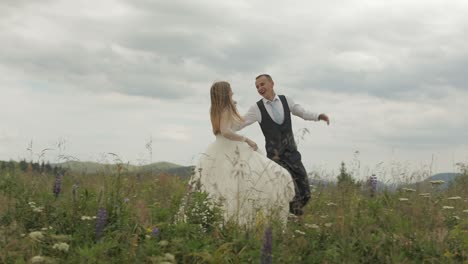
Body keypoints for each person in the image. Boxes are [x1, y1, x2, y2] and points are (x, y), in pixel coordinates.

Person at [190, 81, 295, 226]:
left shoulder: (215, 109)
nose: (232, 92)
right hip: (230, 148)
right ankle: (245, 220)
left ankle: (221, 220)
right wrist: (246, 140)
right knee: (267, 175)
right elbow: (226, 131)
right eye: (230, 90)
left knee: (225, 187)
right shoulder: (225, 108)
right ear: (225, 92)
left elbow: (225, 129)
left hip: (219, 147)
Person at [241, 74, 330, 216]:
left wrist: (318, 116)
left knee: (305, 192)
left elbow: (302, 112)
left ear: (272, 84)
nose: (260, 88)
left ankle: (290, 215)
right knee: (290, 191)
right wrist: (224, 128)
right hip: (276, 160)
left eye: (262, 84)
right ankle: (292, 218)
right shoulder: (256, 109)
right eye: (257, 87)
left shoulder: (285, 100)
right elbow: (241, 122)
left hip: (293, 155)